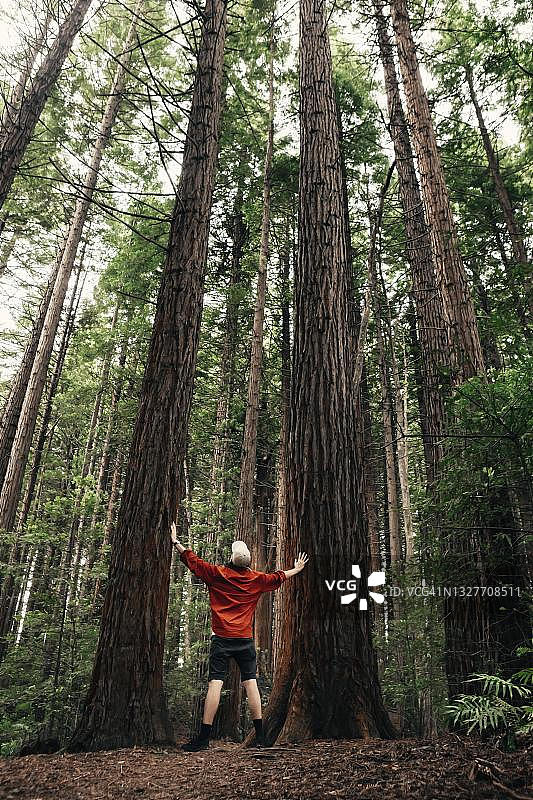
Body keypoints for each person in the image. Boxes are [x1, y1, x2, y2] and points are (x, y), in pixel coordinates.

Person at [171, 522, 309, 751]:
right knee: (251, 683)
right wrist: (296, 569)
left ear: (231, 558)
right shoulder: (255, 579)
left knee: (216, 682)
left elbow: (192, 561)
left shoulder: (217, 574)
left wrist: (175, 541)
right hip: (244, 640)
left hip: (221, 639)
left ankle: (204, 738)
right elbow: (278, 577)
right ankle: (261, 738)